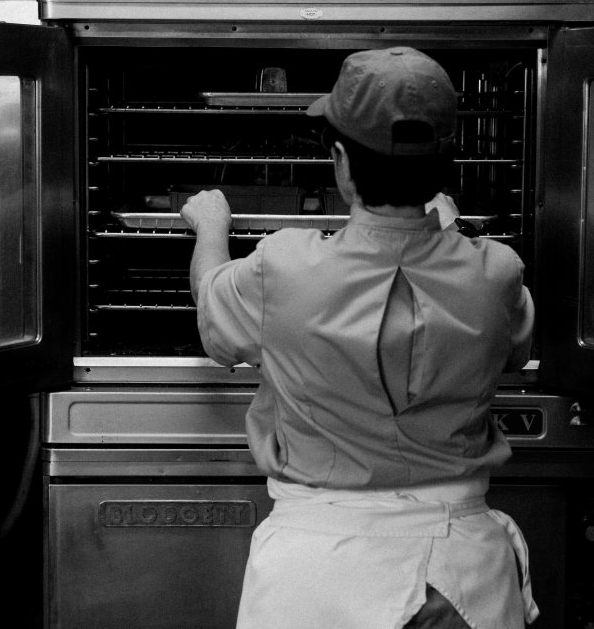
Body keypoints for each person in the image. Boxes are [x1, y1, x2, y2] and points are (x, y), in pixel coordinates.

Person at [180, 46, 539, 629]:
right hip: (460, 572)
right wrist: (444, 228)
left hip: (318, 570)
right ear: (447, 162)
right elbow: (513, 346)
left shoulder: (284, 268)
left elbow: (213, 304)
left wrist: (211, 227)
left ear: (342, 162)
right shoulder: (496, 273)